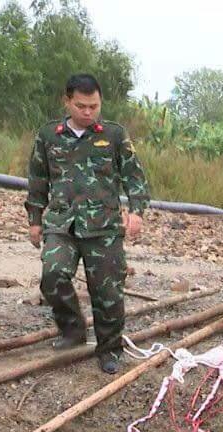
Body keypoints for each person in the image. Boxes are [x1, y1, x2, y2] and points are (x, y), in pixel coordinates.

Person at [25, 73, 150, 374]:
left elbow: (135, 178)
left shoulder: (115, 135)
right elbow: (38, 180)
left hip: (104, 227)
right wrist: (34, 220)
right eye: (81, 106)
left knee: (108, 293)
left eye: (94, 106)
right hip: (61, 223)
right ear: (67, 101)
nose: (88, 112)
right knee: (53, 275)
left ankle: (109, 349)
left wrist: (136, 211)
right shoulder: (49, 136)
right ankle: (72, 330)